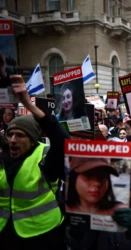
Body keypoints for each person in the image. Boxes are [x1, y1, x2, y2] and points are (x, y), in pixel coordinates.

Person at [0, 75, 68, 250]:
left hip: (42, 235)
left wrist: (28, 104)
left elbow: (61, 141)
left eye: (20, 135)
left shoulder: (45, 156)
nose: (13, 140)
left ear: (32, 140)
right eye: (10, 135)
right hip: (5, 233)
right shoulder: (3, 156)